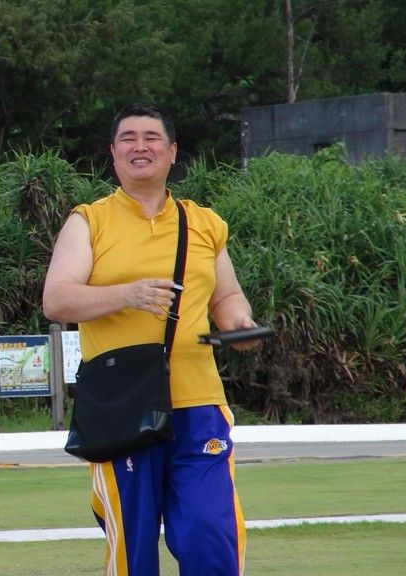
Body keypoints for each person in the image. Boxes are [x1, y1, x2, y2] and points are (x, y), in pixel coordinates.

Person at [42, 103, 260, 575]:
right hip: (122, 406)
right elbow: (56, 300)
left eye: (151, 137)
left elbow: (227, 298)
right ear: (113, 153)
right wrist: (127, 294)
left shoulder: (204, 224)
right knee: (133, 548)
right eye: (128, 138)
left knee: (210, 534)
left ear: (172, 151)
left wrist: (240, 325)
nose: (140, 147)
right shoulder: (89, 221)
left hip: (199, 405)